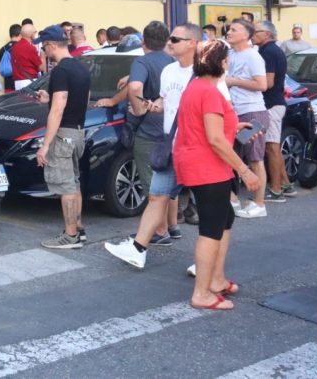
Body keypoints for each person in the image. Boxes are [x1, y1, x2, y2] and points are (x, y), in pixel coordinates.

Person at [173, 39, 261, 310]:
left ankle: (216, 280)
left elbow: (209, 129)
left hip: (203, 163)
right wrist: (245, 170)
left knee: (225, 218)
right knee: (211, 227)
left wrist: (233, 128)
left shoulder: (197, 87)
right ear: (223, 63)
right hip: (206, 166)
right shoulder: (209, 91)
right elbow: (214, 139)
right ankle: (202, 292)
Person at [105, 22, 199, 268]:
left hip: (175, 139)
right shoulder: (171, 67)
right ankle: (152, 239)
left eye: (177, 40)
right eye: (171, 39)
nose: (172, 43)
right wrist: (149, 104)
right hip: (172, 138)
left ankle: (172, 239)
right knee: (161, 192)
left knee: (163, 190)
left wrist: (138, 110)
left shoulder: (147, 63)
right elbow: (164, 98)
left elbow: (135, 88)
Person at [34, 25, 91, 249]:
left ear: (51, 45)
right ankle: (79, 229)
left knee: (65, 187)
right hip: (78, 132)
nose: (43, 51)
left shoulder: (60, 71)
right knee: (74, 183)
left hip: (64, 134)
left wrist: (45, 145)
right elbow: (82, 100)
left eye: (44, 46)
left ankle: (70, 236)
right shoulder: (81, 67)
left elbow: (58, 109)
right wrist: (49, 98)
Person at [126, 21, 174, 231]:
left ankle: (159, 230)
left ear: (143, 41)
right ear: (166, 41)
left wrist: (139, 109)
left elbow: (135, 86)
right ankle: (172, 226)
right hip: (171, 129)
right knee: (169, 181)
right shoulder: (174, 62)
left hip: (149, 131)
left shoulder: (142, 62)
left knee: (153, 185)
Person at [225, 20, 269, 218]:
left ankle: (259, 203)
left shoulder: (253, 56)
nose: (229, 32)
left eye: (234, 30)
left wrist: (234, 81)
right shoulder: (231, 54)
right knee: (231, 157)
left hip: (253, 113)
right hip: (235, 113)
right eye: (230, 29)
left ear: (246, 35)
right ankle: (233, 199)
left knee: (255, 158)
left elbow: (262, 84)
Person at [254, 21, 295, 200]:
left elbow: (268, 83)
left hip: (271, 104)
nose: (253, 34)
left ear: (267, 35)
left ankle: (276, 190)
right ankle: (286, 184)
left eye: (257, 31)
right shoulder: (269, 50)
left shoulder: (269, 52)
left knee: (271, 148)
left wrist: (248, 84)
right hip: (275, 103)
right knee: (273, 147)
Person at [11, 23, 43, 88]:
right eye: (35, 32)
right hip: (29, 81)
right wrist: (42, 54)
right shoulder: (30, 48)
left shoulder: (15, 47)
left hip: (18, 82)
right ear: (31, 34)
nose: (35, 34)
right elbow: (41, 67)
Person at [0, 24, 21, 91]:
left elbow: (1, 68)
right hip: (20, 83)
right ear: (20, 34)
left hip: (8, 83)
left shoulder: (3, 49)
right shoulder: (22, 48)